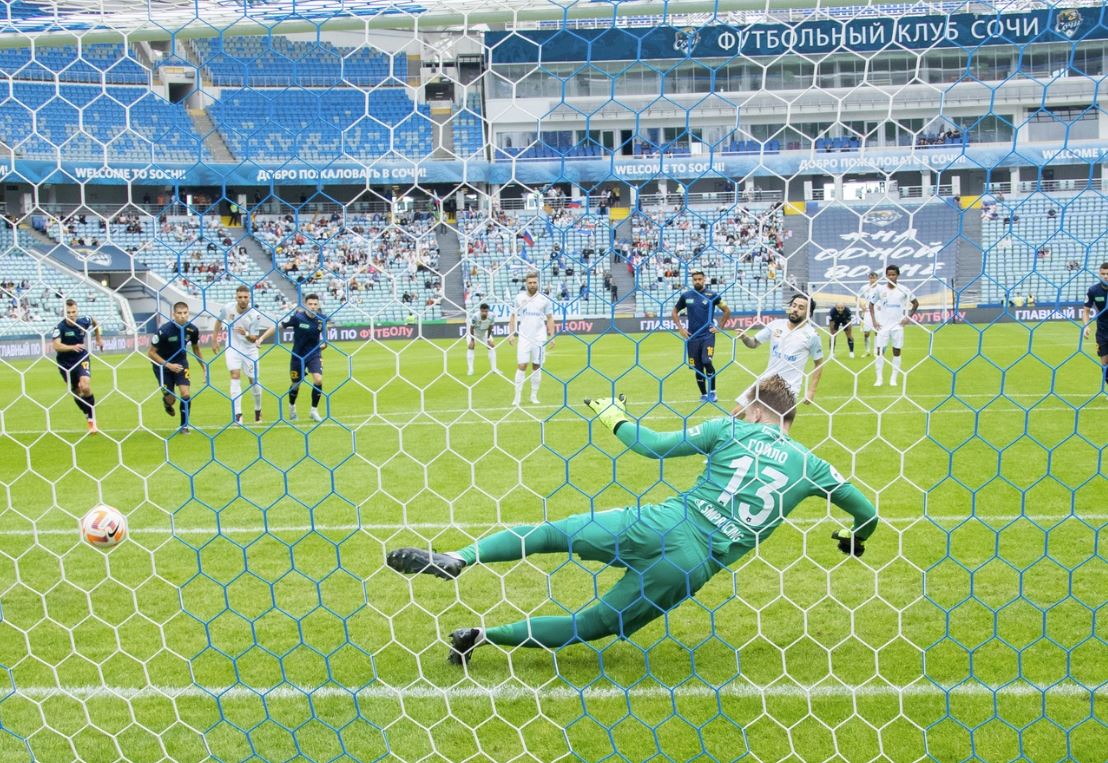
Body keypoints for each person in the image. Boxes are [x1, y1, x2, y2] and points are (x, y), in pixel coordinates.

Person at [386, 375, 877, 665]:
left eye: (740, 405)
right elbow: (868, 512)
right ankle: (481, 636)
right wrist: (853, 538)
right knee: (591, 624)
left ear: (754, 409)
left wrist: (613, 415)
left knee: (553, 534)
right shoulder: (814, 466)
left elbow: (654, 446)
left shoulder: (730, 428)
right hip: (692, 564)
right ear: (790, 417)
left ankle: (460, 557)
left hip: (662, 521)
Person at [735, 294, 824, 429]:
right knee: (736, 414)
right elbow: (753, 343)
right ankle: (723, 445)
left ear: (808, 313)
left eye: (801, 307)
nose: (795, 309)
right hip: (766, 381)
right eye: (793, 306)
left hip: (788, 388)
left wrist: (811, 390)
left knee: (778, 430)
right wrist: (745, 338)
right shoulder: (775, 325)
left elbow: (819, 363)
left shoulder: (812, 336)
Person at [213, 285, 273, 425]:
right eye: (240, 297)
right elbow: (218, 320)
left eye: (245, 297)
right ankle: (238, 414)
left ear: (249, 298)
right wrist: (214, 339)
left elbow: (253, 338)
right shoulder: (228, 308)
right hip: (232, 347)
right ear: (236, 297)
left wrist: (245, 333)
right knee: (235, 375)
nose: (243, 300)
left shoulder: (254, 315)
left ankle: (258, 410)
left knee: (254, 381)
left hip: (249, 350)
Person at [672, 270, 731, 403]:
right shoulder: (686, 296)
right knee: (697, 368)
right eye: (695, 279)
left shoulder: (712, 295)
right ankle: (704, 394)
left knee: (706, 361)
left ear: (704, 280)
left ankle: (713, 392)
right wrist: (680, 328)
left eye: (700, 279)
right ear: (692, 281)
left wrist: (720, 326)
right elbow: (674, 311)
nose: (697, 281)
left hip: (707, 335)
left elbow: (726, 310)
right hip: (692, 337)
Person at [147, 302, 204, 434]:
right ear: (173, 314)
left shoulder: (192, 330)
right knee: (171, 399)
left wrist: (204, 367)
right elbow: (151, 353)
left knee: (186, 394)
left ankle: (184, 426)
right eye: (179, 313)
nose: (182, 316)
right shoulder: (164, 331)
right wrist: (168, 365)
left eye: (185, 313)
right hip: (162, 366)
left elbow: (196, 349)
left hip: (181, 363)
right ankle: (167, 402)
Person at [52, 299, 103, 434]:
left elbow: (94, 321)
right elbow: (56, 346)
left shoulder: (83, 321)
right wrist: (72, 347)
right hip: (65, 363)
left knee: (85, 386)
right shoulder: (59, 328)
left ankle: (92, 420)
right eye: (68, 312)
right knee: (76, 392)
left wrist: (98, 338)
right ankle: (87, 414)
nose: (71, 315)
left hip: (81, 358)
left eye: (74, 312)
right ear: (64, 313)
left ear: (77, 311)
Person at [508, 273, 555, 406]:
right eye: (530, 283)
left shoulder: (544, 299)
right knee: (522, 365)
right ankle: (517, 398)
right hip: (524, 337)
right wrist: (511, 334)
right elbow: (512, 316)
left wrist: (552, 336)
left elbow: (550, 318)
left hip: (539, 338)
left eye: (535, 282)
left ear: (538, 283)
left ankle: (533, 396)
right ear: (526, 284)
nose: (532, 285)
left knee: (537, 366)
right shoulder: (519, 298)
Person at [868, 265, 919, 387]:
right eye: (889, 274)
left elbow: (916, 303)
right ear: (886, 276)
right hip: (883, 326)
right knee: (880, 352)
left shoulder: (904, 289)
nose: (891, 277)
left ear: (897, 275)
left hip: (897, 326)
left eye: (893, 274)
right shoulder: (880, 290)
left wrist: (908, 317)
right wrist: (874, 321)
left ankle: (893, 378)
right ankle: (879, 379)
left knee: (896, 351)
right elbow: (871, 305)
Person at [282, 294, 327, 422]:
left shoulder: (321, 319)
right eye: (310, 304)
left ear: (318, 305)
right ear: (305, 305)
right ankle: (292, 407)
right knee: (296, 384)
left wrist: (324, 344)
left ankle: (314, 410)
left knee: (318, 379)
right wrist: (262, 338)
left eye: (315, 304)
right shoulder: (297, 317)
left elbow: (324, 339)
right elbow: (281, 325)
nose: (312, 306)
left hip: (314, 354)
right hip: (297, 355)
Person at [1081, 261, 1108, 390]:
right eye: (1103, 274)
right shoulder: (1093, 290)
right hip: (1103, 331)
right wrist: (1086, 326)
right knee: (1105, 363)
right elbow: (1085, 310)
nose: (1106, 276)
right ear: (1099, 274)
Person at [467, 302, 497, 376]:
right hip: (474, 333)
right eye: (483, 311)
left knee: (491, 346)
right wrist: (472, 340)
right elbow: (471, 328)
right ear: (480, 310)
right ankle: (470, 369)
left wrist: (488, 338)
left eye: (486, 311)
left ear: (488, 311)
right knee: (471, 347)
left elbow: (490, 327)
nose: (484, 313)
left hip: (484, 333)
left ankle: (494, 369)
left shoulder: (492, 316)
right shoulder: (475, 316)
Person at [858, 272, 879, 357]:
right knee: (866, 333)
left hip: (878, 312)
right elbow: (857, 297)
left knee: (877, 332)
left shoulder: (881, 288)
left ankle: (875, 351)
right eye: (871, 278)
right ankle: (867, 351)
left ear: (877, 278)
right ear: (868, 278)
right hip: (867, 312)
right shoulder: (864, 288)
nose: (872, 279)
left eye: (874, 278)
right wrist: (861, 305)